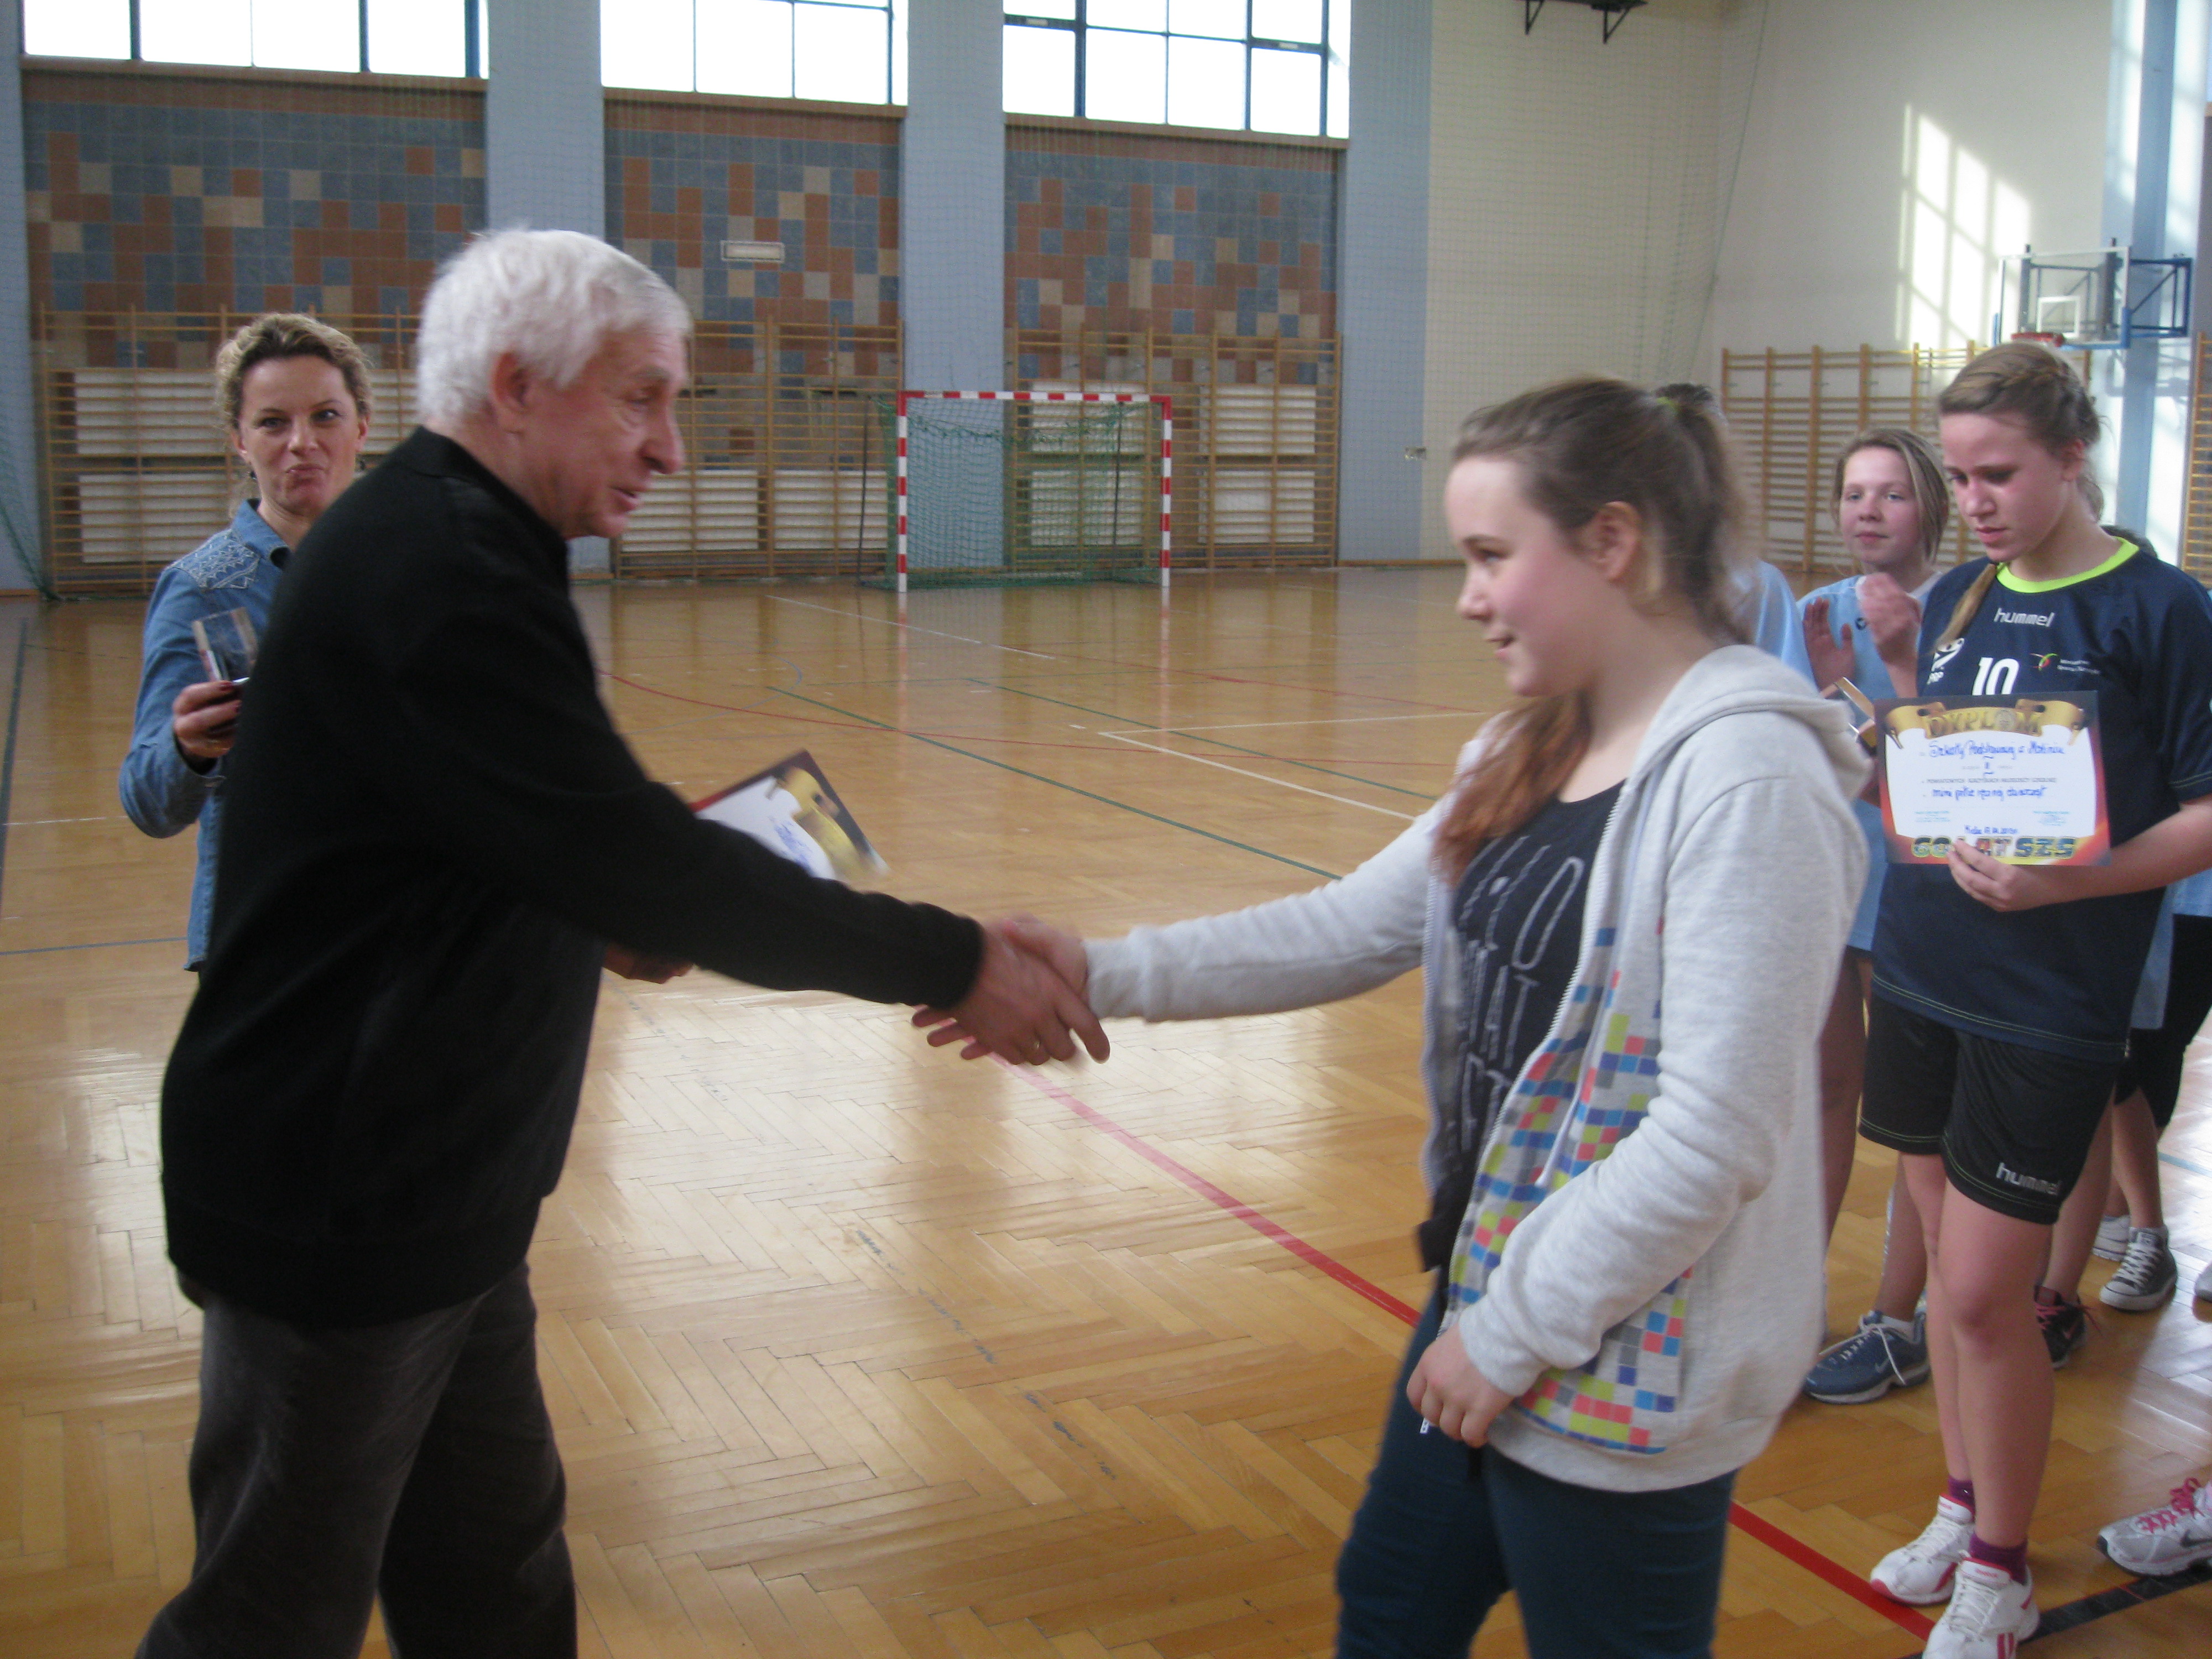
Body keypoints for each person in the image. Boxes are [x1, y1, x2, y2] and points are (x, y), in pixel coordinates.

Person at [137, 230, 1102, 1659]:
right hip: (338, 1211)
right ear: (516, 387)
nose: (670, 447)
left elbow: (488, 838)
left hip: (450, 1196)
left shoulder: (456, 540)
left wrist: (597, 916)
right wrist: (954, 959)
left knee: (497, 1585)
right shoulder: (440, 565)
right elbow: (639, 857)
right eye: (640, 398)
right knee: (269, 1620)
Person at [926, 377, 1866, 1659]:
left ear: (1610, 541)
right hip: (1487, 1289)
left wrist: (1511, 1334)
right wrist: (1099, 968)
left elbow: (1713, 1134)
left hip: (1621, 1345)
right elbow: (1348, 925)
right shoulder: (1531, 745)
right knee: (1389, 1608)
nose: (1467, 596)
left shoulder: (1749, 780)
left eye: (1489, 555)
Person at [1858, 343, 2212, 1657]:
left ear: (2072, 456)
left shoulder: (2159, 608)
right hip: (1922, 970)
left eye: (1997, 473)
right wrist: (1884, 755)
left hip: (2046, 998)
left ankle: (2000, 1575)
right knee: (1944, 1270)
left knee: (1977, 1297)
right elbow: (1944, 773)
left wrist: (2075, 883)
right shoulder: (1955, 595)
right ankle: (1962, 1507)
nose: (1974, 501)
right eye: (1957, 478)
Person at [118, 314, 372, 967]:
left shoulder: (412, 567)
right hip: (265, 944)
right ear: (239, 439)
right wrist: (188, 750)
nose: (301, 443)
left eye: (325, 416)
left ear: (361, 427)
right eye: (272, 423)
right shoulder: (202, 588)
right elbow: (147, 799)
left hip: (394, 931)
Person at [1785, 428, 1948, 1405]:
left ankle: (1896, 1318)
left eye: (1890, 493)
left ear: (1931, 504)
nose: (1868, 511)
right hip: (1834, 881)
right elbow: (1814, 750)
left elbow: (1950, 769)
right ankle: (1793, 1300)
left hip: (1921, 890)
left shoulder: (1971, 606)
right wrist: (1827, 698)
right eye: (1854, 494)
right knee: (1824, 1089)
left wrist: (1876, 681)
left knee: (1916, 1117)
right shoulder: (1818, 610)